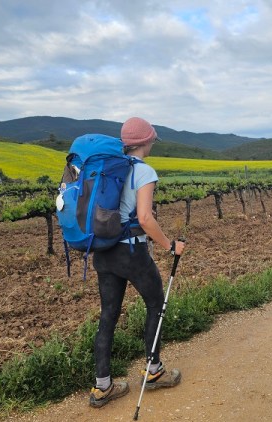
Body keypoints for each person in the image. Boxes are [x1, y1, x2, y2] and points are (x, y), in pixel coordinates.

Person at [89, 117, 186, 408]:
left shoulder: (108, 167)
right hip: (131, 252)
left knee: (108, 315)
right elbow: (144, 218)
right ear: (146, 141)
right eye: (153, 139)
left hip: (104, 250)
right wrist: (170, 245)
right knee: (156, 304)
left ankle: (102, 387)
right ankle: (154, 371)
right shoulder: (143, 171)